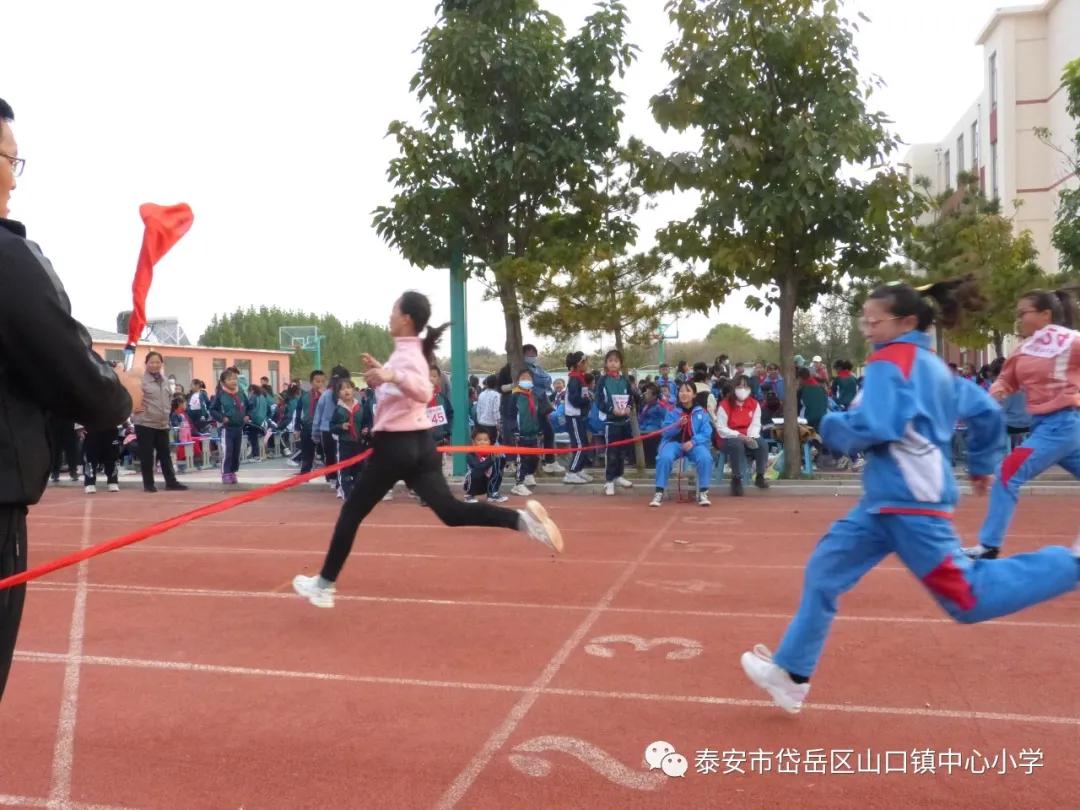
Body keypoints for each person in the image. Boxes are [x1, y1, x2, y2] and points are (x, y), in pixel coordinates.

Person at [739, 279, 1080, 715]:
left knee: (967, 598)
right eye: (864, 318)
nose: (866, 327)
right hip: (883, 501)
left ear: (906, 322)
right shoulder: (936, 366)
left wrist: (829, 426)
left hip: (909, 502)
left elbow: (878, 425)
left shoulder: (889, 362)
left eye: (874, 320)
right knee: (825, 570)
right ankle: (792, 674)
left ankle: (1069, 566)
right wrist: (978, 463)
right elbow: (986, 411)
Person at [292, 291, 563, 608]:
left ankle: (324, 586)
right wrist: (383, 374)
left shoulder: (409, 356)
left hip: (396, 448)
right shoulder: (405, 354)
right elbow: (406, 388)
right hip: (420, 446)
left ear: (406, 318)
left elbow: (422, 389)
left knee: (351, 513)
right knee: (451, 512)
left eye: (394, 310)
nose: (389, 315)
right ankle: (522, 522)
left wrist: (390, 374)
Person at [0, 96, 139, 700]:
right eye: (10, 158)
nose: (13, 177)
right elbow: (77, 378)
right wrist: (122, 392)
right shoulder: (8, 260)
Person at [965, 288, 1080, 560]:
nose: (1019, 319)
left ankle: (988, 546)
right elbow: (1008, 379)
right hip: (1049, 427)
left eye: (1023, 313)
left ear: (1045, 314)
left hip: (1060, 425)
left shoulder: (1071, 341)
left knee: (1006, 475)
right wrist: (998, 390)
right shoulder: (1024, 348)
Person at [650, 382, 714, 507]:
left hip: (694, 444)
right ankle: (659, 492)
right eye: (681, 391)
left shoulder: (702, 412)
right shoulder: (672, 411)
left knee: (705, 457)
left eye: (688, 391)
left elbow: (707, 432)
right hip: (674, 443)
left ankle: (703, 492)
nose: (684, 394)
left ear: (694, 394)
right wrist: (678, 425)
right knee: (664, 457)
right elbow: (665, 432)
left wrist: (694, 441)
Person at [133, 350, 188, 493]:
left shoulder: (164, 380)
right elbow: (131, 397)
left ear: (161, 364)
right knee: (147, 455)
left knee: (165, 455)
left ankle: (171, 482)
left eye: (158, 362)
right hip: (145, 423)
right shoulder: (140, 380)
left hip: (162, 423)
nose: (155, 365)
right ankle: (149, 484)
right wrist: (134, 409)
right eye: (152, 362)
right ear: (146, 364)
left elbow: (168, 399)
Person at [716, 375, 770, 494]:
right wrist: (739, 436)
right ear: (734, 388)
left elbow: (756, 423)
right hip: (728, 437)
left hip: (748, 434)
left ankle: (760, 476)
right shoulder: (724, 405)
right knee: (737, 445)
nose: (743, 389)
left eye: (745, 386)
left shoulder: (754, 404)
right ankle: (736, 479)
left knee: (762, 444)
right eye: (739, 386)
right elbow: (721, 428)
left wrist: (751, 437)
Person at [595, 349, 636, 496]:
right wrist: (612, 410)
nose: (613, 363)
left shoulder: (624, 380)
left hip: (624, 421)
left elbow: (630, 398)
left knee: (622, 452)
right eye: (610, 360)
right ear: (606, 363)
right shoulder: (603, 380)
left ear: (620, 364)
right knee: (611, 452)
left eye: (616, 361)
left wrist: (628, 408)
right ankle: (609, 481)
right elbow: (599, 401)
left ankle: (619, 476)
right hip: (611, 422)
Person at [463, 428, 508, 503]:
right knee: (475, 472)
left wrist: (500, 457)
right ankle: (469, 495)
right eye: (479, 440)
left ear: (489, 442)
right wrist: (492, 458)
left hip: (487, 484)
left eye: (485, 440)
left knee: (498, 464)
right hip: (474, 484)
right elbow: (479, 467)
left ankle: (493, 493)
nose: (482, 442)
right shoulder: (471, 454)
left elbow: (502, 466)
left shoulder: (492, 453)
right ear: (473, 442)